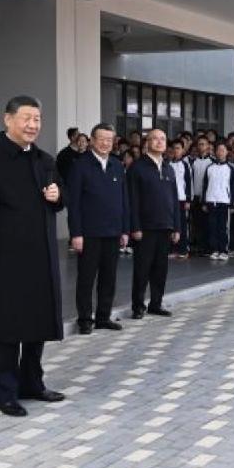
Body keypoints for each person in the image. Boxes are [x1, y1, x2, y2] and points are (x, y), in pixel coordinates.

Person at [0, 96, 67, 417]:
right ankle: (5, 393)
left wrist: (57, 195)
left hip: (41, 256)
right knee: (6, 326)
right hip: (7, 257)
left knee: (37, 322)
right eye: (26, 118)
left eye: (37, 119)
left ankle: (31, 383)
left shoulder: (44, 159)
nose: (32, 125)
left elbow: (59, 197)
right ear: (8, 119)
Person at [67, 124, 129, 335]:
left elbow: (124, 200)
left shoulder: (117, 165)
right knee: (86, 278)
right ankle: (85, 319)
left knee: (108, 278)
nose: (105, 143)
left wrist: (124, 230)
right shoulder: (80, 165)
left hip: (113, 232)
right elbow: (74, 203)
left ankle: (103, 317)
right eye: (101, 139)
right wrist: (76, 233)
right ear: (92, 140)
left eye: (109, 140)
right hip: (89, 234)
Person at [128, 129, 181, 319]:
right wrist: (135, 227)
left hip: (165, 226)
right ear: (147, 143)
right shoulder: (137, 168)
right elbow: (132, 200)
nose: (159, 142)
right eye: (155, 139)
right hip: (145, 228)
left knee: (160, 269)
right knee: (142, 269)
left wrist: (177, 227)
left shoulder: (168, 168)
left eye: (163, 139)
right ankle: (138, 306)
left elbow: (174, 199)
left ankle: (156, 304)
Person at [202, 141, 234, 260]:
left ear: (227, 152)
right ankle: (215, 249)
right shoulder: (210, 168)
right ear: (215, 152)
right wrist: (204, 202)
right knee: (212, 226)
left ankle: (224, 250)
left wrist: (232, 204)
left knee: (223, 227)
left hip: (224, 201)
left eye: (223, 150)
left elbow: (232, 186)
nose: (220, 152)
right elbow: (205, 185)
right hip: (211, 200)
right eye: (218, 150)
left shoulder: (230, 168)